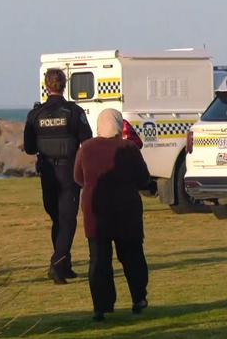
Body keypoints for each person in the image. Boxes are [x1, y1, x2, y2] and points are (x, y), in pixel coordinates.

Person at [73, 108, 151, 321]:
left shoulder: (86, 148)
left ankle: (101, 306)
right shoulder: (129, 148)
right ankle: (138, 298)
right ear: (118, 125)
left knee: (99, 260)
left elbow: (78, 178)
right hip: (126, 211)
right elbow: (143, 179)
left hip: (95, 212)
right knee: (132, 257)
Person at [24, 68, 93, 284]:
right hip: (68, 171)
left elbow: (28, 147)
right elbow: (87, 141)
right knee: (67, 221)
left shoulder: (35, 114)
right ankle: (57, 264)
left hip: (47, 173)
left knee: (58, 219)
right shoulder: (73, 111)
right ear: (65, 85)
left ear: (46, 86)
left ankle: (64, 264)